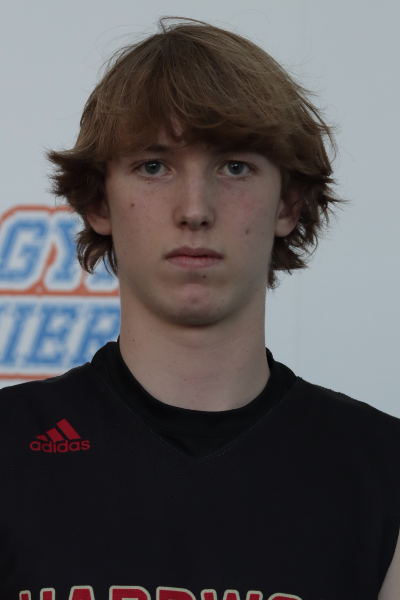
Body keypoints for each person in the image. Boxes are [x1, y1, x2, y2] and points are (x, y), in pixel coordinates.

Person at [0, 17, 399, 600]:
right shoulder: (9, 450)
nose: (194, 209)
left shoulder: (383, 471)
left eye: (235, 166)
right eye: (153, 166)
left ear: (287, 204)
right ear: (98, 201)